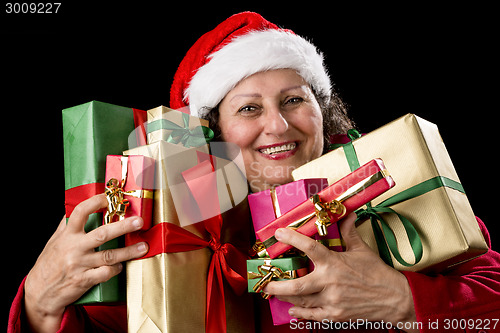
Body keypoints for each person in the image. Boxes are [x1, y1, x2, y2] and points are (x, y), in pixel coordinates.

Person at [9, 11, 500, 333]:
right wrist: (39, 305)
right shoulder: (171, 233)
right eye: (248, 109)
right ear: (213, 135)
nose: (278, 124)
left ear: (322, 114)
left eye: (293, 100)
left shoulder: (393, 190)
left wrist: (403, 301)